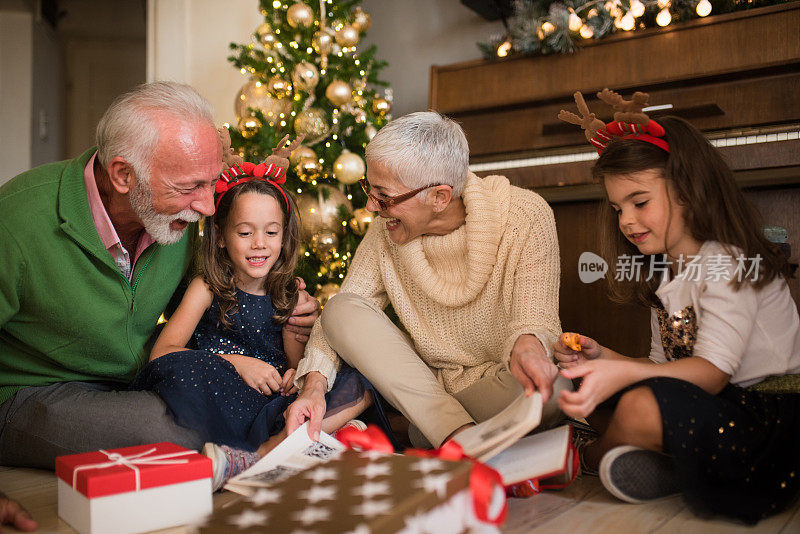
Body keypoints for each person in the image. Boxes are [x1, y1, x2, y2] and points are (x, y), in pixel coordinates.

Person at [0, 82, 318, 469]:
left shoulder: (173, 221)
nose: (206, 207)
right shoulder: (17, 218)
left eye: (212, 183)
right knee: (174, 433)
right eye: (189, 187)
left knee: (214, 414)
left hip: (136, 384)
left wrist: (292, 306)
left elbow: (215, 307)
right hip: (34, 392)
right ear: (123, 176)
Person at [553, 112, 800, 523]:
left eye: (640, 202)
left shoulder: (727, 263)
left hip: (763, 421)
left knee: (639, 407)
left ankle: (585, 455)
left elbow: (712, 372)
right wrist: (605, 359)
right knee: (579, 380)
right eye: (618, 208)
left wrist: (623, 376)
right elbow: (663, 367)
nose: (627, 221)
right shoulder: (667, 271)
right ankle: (676, 467)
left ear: (687, 190)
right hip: (711, 403)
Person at [285, 111, 572, 448]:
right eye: (369, 188)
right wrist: (314, 386)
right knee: (340, 309)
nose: (371, 207)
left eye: (384, 196)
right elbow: (341, 320)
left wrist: (529, 347)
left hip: (493, 384)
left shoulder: (525, 215)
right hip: (427, 387)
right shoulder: (386, 232)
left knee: (555, 394)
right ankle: (459, 436)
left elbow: (534, 321)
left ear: (439, 197)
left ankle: (440, 432)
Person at [131, 158, 373, 488]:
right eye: (245, 232)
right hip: (223, 391)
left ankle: (286, 446)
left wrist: (292, 375)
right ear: (220, 237)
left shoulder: (290, 295)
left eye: (271, 232)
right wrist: (238, 365)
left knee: (361, 377)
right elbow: (163, 354)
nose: (259, 243)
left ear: (284, 236)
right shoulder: (205, 288)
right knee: (185, 370)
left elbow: (296, 365)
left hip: (274, 403)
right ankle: (303, 443)